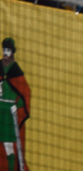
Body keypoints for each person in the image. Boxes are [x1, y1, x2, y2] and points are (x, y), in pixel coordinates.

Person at [0, 37, 29, 171]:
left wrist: (17, 107)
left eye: (8, 50)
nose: (5, 53)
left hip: (9, 112)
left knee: (9, 145)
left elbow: (25, 92)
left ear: (12, 52)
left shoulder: (15, 70)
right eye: (4, 50)